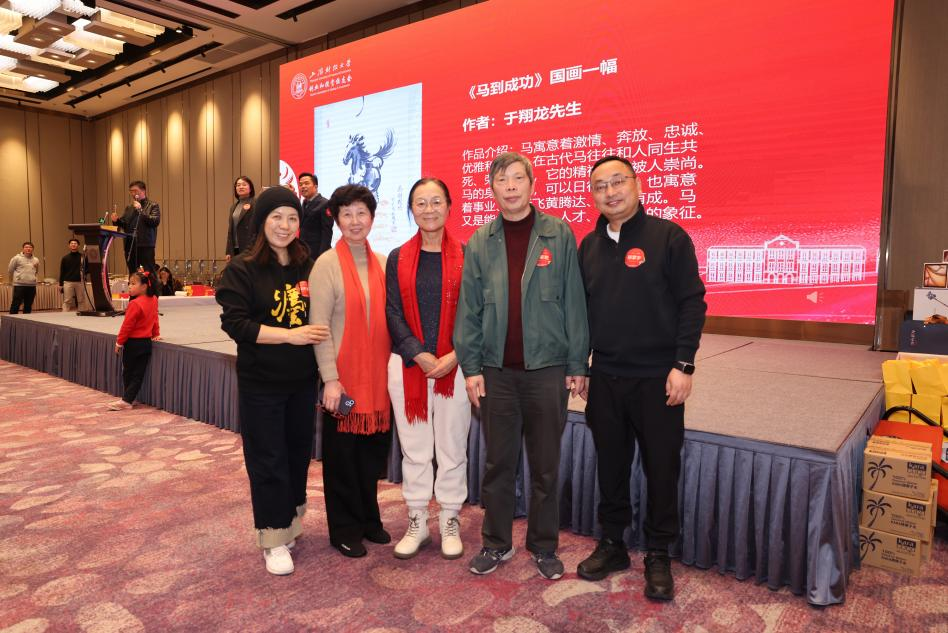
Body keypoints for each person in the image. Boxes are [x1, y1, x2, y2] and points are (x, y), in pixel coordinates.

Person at [576, 156, 706, 601]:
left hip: (657, 379)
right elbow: (582, 313)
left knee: (661, 467)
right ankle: (613, 543)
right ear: (593, 195)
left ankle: (658, 552)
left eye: (618, 182)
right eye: (600, 186)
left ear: (637, 184)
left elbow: (692, 302)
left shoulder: (668, 237)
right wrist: (582, 366)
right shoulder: (588, 247)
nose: (610, 192)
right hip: (606, 377)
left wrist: (683, 364)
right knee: (610, 466)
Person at [454, 152, 589, 580]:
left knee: (546, 464)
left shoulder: (558, 233)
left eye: (517, 178)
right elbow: (469, 310)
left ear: (532, 184)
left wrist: (578, 362)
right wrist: (471, 367)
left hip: (548, 370)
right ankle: (496, 543)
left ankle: (544, 545)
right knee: (498, 463)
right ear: (491, 188)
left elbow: (575, 302)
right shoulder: (481, 241)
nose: (510, 186)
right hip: (496, 372)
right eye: (501, 179)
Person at [216, 186, 330, 576]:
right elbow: (237, 325)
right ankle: (272, 536)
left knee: (298, 453)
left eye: (292, 217)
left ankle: (290, 520)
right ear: (261, 221)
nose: (284, 225)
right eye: (276, 217)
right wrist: (290, 336)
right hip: (261, 382)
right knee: (268, 458)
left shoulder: (307, 265)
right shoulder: (242, 268)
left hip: (302, 380)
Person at [386, 178, 469, 560]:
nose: (429, 209)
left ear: (449, 206)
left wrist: (455, 355)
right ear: (411, 209)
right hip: (408, 366)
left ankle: (450, 517)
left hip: (457, 367)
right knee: (415, 450)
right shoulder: (398, 257)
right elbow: (392, 312)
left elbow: (476, 313)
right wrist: (418, 353)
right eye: (421, 203)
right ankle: (417, 520)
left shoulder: (468, 255)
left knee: (452, 448)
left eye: (436, 201)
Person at [309, 184, 391, 558]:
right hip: (342, 383)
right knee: (343, 457)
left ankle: (369, 519)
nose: (355, 221)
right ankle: (344, 528)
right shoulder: (326, 265)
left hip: (378, 382)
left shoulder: (384, 263)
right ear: (337, 219)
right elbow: (320, 327)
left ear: (372, 217)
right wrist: (330, 379)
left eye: (362, 213)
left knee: (371, 455)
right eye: (347, 214)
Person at [109, 269, 160, 411]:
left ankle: (127, 400)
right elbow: (154, 318)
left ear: (144, 286)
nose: (129, 287)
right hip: (146, 343)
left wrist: (119, 342)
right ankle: (129, 398)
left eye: (133, 284)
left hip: (132, 343)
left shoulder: (135, 304)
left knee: (128, 372)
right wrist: (155, 333)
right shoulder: (154, 299)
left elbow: (127, 326)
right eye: (129, 284)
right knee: (138, 374)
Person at [110, 180, 161, 275]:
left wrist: (141, 210)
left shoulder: (153, 205)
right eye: (131, 191)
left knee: (147, 273)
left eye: (135, 191)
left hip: (145, 245)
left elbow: (155, 221)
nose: (133, 194)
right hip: (130, 245)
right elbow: (124, 225)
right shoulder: (129, 208)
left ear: (143, 191)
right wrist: (116, 221)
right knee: (133, 273)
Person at [299, 172, 333, 260]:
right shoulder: (304, 203)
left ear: (315, 186)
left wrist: (322, 257)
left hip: (317, 255)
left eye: (306, 183)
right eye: (301, 184)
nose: (303, 186)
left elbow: (327, 233)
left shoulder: (325, 204)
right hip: (304, 253)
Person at [225, 176, 256, 261]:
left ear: (250, 188)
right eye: (238, 185)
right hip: (235, 248)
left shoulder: (255, 203)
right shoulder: (233, 207)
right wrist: (228, 251)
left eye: (244, 184)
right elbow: (230, 230)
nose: (241, 187)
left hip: (250, 248)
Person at [8, 241, 40, 314]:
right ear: (23, 249)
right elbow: (10, 270)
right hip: (19, 285)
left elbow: (36, 271)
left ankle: (26, 320)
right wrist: (12, 281)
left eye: (30, 247)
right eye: (26, 247)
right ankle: (12, 319)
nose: (28, 249)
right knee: (16, 304)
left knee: (28, 305)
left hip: (31, 285)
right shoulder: (16, 258)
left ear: (33, 249)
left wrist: (34, 279)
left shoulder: (36, 259)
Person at [59, 238, 88, 312]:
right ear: (69, 245)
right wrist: (60, 284)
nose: (73, 245)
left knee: (81, 300)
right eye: (71, 243)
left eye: (75, 243)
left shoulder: (83, 257)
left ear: (78, 245)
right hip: (68, 282)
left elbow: (88, 268)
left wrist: (83, 273)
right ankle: (64, 315)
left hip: (80, 281)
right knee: (67, 300)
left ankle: (82, 314)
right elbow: (62, 271)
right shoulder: (65, 258)